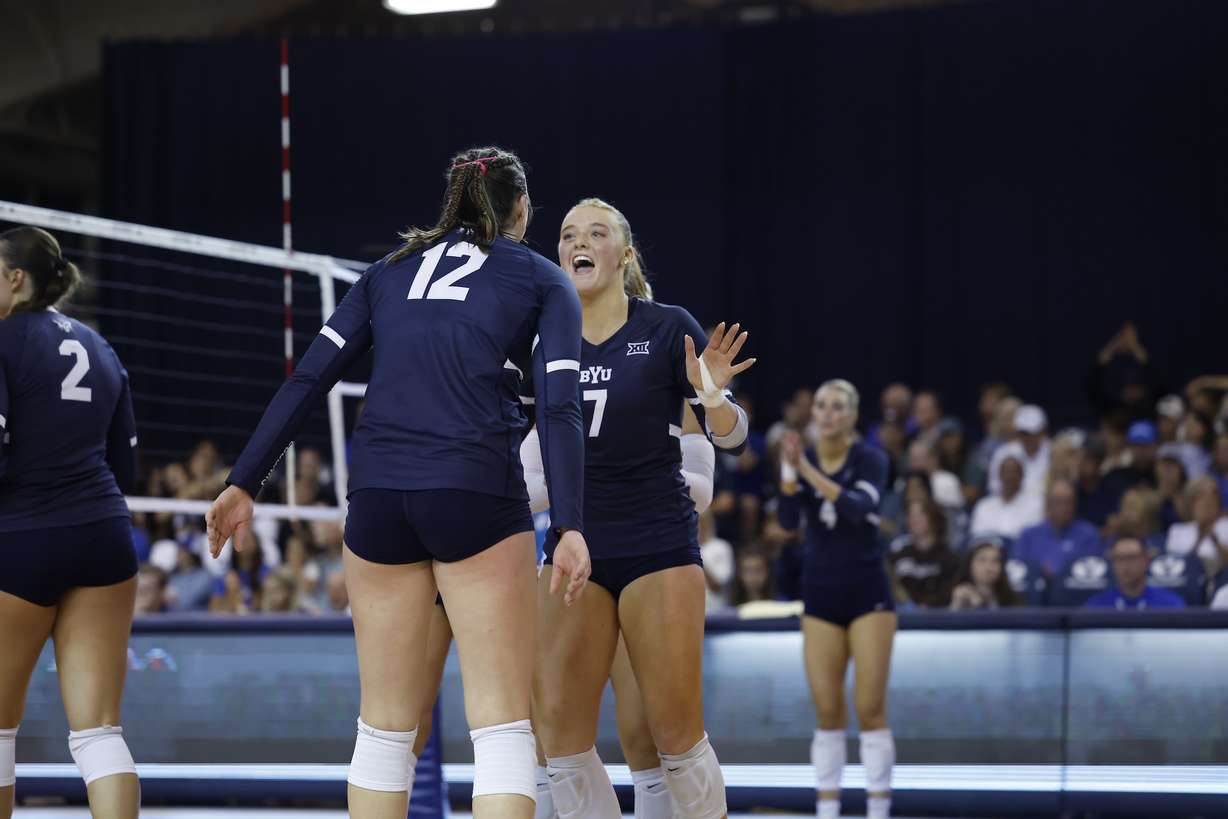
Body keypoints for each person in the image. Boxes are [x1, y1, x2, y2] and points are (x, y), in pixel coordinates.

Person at [206, 147, 592, 819]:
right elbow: (559, 406)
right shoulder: (540, 277)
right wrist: (569, 524)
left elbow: (308, 378)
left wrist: (245, 480)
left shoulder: (386, 272)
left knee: (384, 729)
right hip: (473, 488)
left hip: (379, 496)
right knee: (501, 726)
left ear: (451, 203)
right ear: (522, 209)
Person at [526, 197, 752, 819]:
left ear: (623, 256)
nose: (580, 241)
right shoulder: (545, 338)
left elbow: (733, 438)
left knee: (672, 735)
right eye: (570, 233)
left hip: (656, 544)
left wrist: (712, 397)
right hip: (574, 546)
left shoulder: (664, 326)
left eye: (597, 233)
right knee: (561, 744)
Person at [0, 227, 141, 818]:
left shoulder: (3, 341)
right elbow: (125, 464)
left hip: (24, 539)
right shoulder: (100, 347)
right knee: (98, 732)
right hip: (105, 535)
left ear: (14, 277)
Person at [778, 381, 896, 819]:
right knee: (828, 711)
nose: (828, 414)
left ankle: (877, 809)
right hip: (821, 593)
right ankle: (827, 811)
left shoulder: (871, 459)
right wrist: (789, 474)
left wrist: (804, 471)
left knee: (869, 707)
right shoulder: (800, 460)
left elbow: (857, 507)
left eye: (838, 407)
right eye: (822, 406)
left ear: (852, 415)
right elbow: (788, 521)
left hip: (869, 595)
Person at [1012, 480, 1102, 580]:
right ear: (1047, 504)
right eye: (1057, 501)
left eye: (1068, 502)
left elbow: (1093, 573)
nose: (1063, 507)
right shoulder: (1028, 535)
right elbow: (1017, 569)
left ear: (1075, 505)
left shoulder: (1088, 535)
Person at [886, 499, 960, 609]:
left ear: (934, 518)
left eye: (920, 515)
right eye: (910, 515)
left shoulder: (950, 559)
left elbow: (949, 593)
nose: (913, 520)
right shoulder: (897, 556)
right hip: (901, 617)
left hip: (937, 618)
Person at [1084, 536, 1184, 610]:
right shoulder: (1096, 606)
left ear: (1146, 560)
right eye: (1119, 559)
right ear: (1112, 563)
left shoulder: (1170, 604)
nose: (1125, 565)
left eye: (1132, 558)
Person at [969, 453, 1044, 539]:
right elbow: (977, 537)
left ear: (1022, 476)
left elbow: (1032, 538)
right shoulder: (984, 506)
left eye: (1014, 472)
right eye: (1006, 472)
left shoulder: (1035, 506)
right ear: (999, 475)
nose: (1009, 476)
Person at [1164, 477, 1228, 577]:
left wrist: (1214, 539)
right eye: (1201, 498)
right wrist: (1200, 537)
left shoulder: (1225, 526)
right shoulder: (1177, 530)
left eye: (1212, 498)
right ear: (1190, 503)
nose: (1207, 502)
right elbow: (1175, 567)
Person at [987, 405, 1050, 499]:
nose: (1026, 437)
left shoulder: (1054, 452)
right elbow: (995, 488)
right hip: (1011, 507)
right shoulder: (1004, 453)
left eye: (1031, 433)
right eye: (1022, 432)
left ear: (1042, 431)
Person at [948, 540, 1023, 610]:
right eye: (982, 560)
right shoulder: (958, 595)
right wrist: (956, 605)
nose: (989, 567)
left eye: (995, 561)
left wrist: (979, 604)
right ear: (969, 565)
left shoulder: (1012, 600)